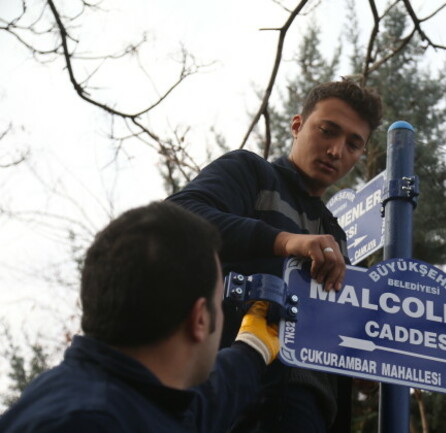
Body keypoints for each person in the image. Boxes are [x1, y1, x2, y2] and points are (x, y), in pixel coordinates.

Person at [167, 79, 383, 433]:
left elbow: (332, 331)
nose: (336, 151)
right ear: (297, 125)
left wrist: (358, 367)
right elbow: (177, 218)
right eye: (327, 131)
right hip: (238, 390)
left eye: (353, 144)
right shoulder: (252, 173)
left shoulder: (337, 237)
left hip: (313, 412)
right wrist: (284, 241)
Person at [0, 201, 280, 433]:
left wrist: (252, 348)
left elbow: (200, 406)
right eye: (219, 303)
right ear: (200, 319)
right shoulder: (87, 423)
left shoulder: (108, 396)